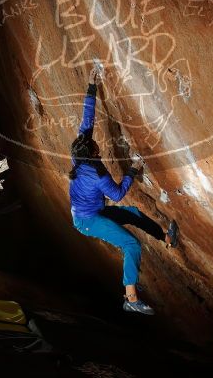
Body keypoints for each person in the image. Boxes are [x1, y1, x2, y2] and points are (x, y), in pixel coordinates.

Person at [69, 66, 179, 316]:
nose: (97, 146)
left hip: (93, 211)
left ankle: (168, 239)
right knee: (131, 245)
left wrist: (91, 86)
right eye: (97, 148)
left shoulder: (78, 154)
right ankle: (130, 298)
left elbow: (87, 121)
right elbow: (117, 194)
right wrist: (132, 170)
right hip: (87, 220)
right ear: (94, 154)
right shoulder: (98, 175)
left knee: (133, 214)